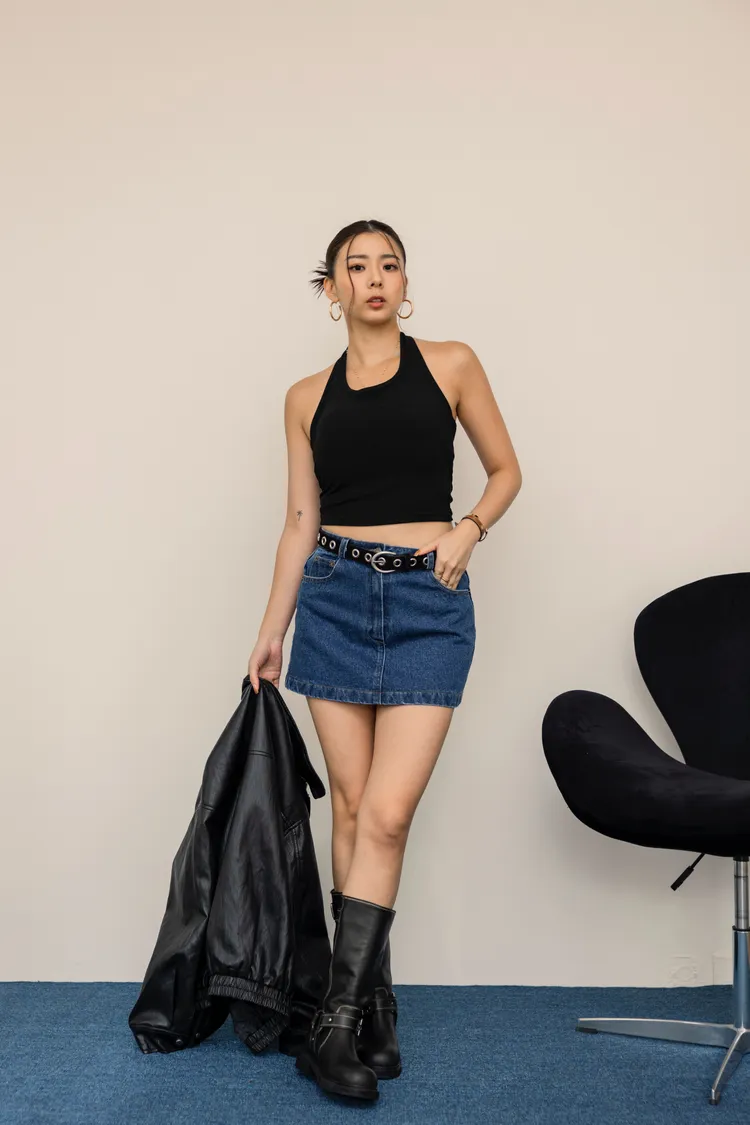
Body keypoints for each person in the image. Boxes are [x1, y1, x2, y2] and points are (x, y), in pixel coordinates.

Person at [246, 218, 522, 1101]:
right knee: (354, 804)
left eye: (389, 264)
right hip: (332, 597)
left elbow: (507, 470)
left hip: (427, 604)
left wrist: (469, 528)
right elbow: (299, 520)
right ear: (330, 290)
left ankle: (334, 1021)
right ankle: (371, 1007)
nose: (374, 278)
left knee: (389, 814)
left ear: (405, 282)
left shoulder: (451, 363)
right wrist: (272, 628)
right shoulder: (304, 397)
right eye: (355, 267)